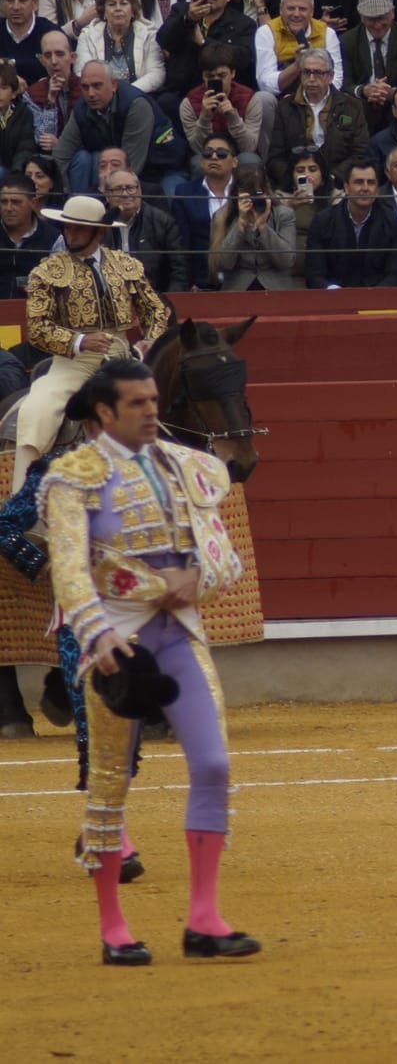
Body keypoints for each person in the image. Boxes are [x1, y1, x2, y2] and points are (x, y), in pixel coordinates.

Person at [44, 356, 257, 966]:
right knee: (111, 783)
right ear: (105, 412)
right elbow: (69, 569)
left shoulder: (190, 466)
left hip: (178, 631)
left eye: (154, 401)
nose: (151, 411)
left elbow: (225, 556)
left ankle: (204, 919)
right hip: (118, 638)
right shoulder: (71, 475)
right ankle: (113, 927)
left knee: (213, 764)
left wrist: (198, 574)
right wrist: (96, 637)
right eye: (137, 403)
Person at [14, 195, 171, 490]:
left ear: (99, 232)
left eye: (78, 229)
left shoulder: (126, 265)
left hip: (125, 357)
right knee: (38, 410)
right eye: (67, 227)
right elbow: (37, 328)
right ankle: (21, 503)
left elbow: (156, 309)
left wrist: (151, 339)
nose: (70, 233)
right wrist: (80, 340)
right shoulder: (47, 272)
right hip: (73, 364)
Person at [304, 156, 397, 286]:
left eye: (370, 182)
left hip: (378, 298)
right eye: (359, 182)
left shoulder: (392, 221)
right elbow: (314, 274)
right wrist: (332, 290)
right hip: (334, 298)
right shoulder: (323, 220)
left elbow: (395, 274)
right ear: (346, 187)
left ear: (377, 188)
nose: (365, 188)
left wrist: (374, 296)